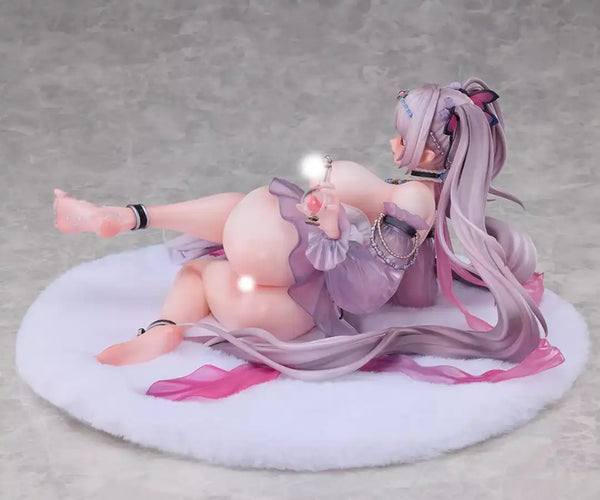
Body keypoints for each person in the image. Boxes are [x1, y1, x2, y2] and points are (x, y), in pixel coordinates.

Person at [53, 77, 564, 398]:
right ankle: (143, 266)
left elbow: (367, 293)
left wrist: (334, 233)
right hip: (278, 288)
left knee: (216, 251)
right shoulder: (411, 197)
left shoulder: (413, 200)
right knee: (214, 247)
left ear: (429, 154)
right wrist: (339, 224)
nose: (392, 143)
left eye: (402, 137)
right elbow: (404, 279)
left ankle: (134, 235)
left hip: (298, 305)